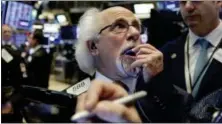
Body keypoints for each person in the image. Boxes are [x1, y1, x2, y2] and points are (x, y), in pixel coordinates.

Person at [75, 1, 222, 123]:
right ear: (93, 46)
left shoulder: (166, 92)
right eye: (119, 26)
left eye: (137, 26)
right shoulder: (68, 100)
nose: (134, 33)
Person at [1, 24, 25, 122]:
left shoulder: (17, 50)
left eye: (9, 31)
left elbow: (20, 73)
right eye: (4, 31)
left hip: (12, 90)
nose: (7, 33)